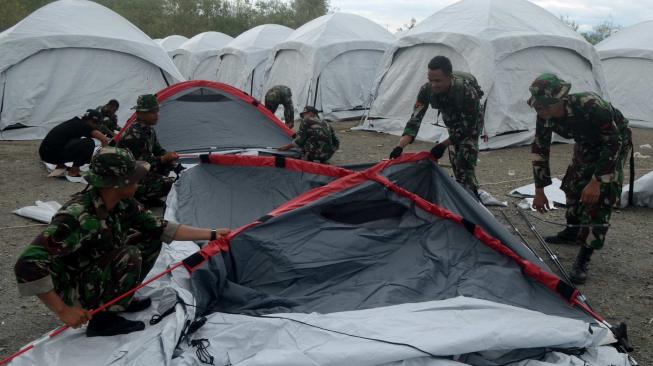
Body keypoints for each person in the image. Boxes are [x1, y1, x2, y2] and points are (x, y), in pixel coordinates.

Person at [14, 147, 230, 337]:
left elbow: (161, 227)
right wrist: (63, 311)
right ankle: (103, 321)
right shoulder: (76, 217)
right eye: (134, 177)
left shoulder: (122, 202)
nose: (139, 181)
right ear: (118, 183)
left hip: (91, 269)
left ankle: (118, 301)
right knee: (129, 255)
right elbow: (27, 264)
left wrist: (212, 234)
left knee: (149, 237)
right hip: (72, 285)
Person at [528, 73, 632, 284]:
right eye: (538, 107)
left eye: (546, 107)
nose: (542, 112)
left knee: (599, 196)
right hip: (586, 143)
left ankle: (585, 255)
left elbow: (613, 142)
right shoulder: (544, 113)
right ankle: (572, 231)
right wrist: (539, 190)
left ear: (562, 100)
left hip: (613, 143)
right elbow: (540, 148)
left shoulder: (591, 106)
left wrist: (596, 181)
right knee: (573, 185)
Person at [388, 56, 484, 197]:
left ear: (450, 77)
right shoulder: (426, 90)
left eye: (438, 80)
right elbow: (415, 119)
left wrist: (442, 145)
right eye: (430, 80)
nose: (433, 85)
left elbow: (466, 129)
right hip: (450, 118)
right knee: (455, 159)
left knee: (465, 156)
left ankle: (471, 196)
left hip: (470, 121)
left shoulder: (466, 92)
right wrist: (400, 146)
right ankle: (460, 189)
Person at [117, 94, 178, 206]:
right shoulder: (135, 134)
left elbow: (158, 150)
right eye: (152, 112)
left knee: (168, 163)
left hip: (139, 171)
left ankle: (147, 195)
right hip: (127, 177)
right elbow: (142, 164)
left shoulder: (148, 129)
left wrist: (172, 160)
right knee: (168, 183)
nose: (156, 115)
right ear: (140, 114)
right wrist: (164, 158)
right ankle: (137, 196)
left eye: (157, 111)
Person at [39, 109, 109, 177]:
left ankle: (60, 165)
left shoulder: (76, 122)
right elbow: (104, 140)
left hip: (44, 153)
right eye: (98, 124)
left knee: (74, 140)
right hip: (51, 155)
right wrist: (104, 160)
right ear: (91, 121)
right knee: (89, 143)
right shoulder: (85, 126)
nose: (98, 127)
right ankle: (74, 171)